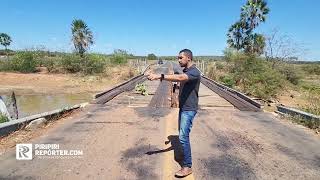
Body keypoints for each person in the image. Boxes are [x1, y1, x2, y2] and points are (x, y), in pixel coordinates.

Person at [147, 49, 200, 177]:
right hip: (184, 107)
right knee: (183, 135)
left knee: (182, 136)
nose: (178, 60)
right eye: (178, 58)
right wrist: (176, 93)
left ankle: (187, 166)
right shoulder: (187, 70)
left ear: (188, 58)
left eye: (180, 58)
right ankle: (185, 154)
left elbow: (181, 78)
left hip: (189, 109)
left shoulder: (194, 72)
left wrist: (161, 76)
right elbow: (181, 81)